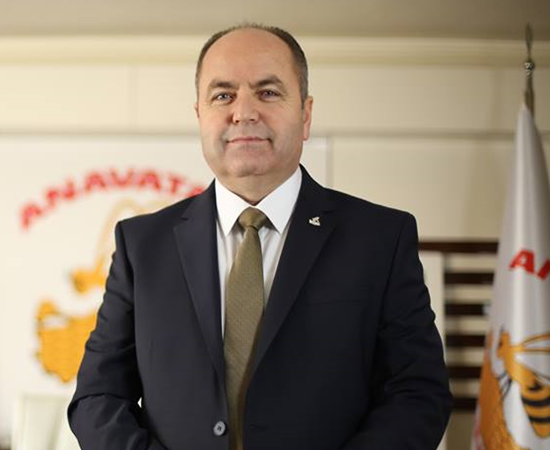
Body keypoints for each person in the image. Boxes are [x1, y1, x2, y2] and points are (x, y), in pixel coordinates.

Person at [69, 24, 452, 450]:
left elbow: (417, 393)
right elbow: (97, 398)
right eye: (223, 95)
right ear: (200, 116)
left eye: (268, 92)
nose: (244, 112)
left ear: (305, 115)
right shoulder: (142, 246)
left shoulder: (380, 239)